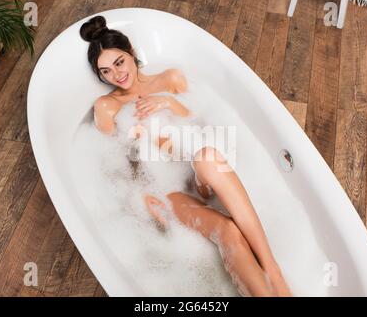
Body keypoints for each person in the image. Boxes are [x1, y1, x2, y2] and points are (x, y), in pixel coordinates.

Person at [80, 15, 292, 297]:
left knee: (206, 156)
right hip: (167, 187)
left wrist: (170, 102)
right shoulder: (108, 107)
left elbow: (204, 124)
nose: (116, 75)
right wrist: (142, 196)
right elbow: (115, 161)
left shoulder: (170, 79)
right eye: (105, 71)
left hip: (202, 170)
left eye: (118, 62)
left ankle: (273, 272)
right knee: (227, 230)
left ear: (130, 51)